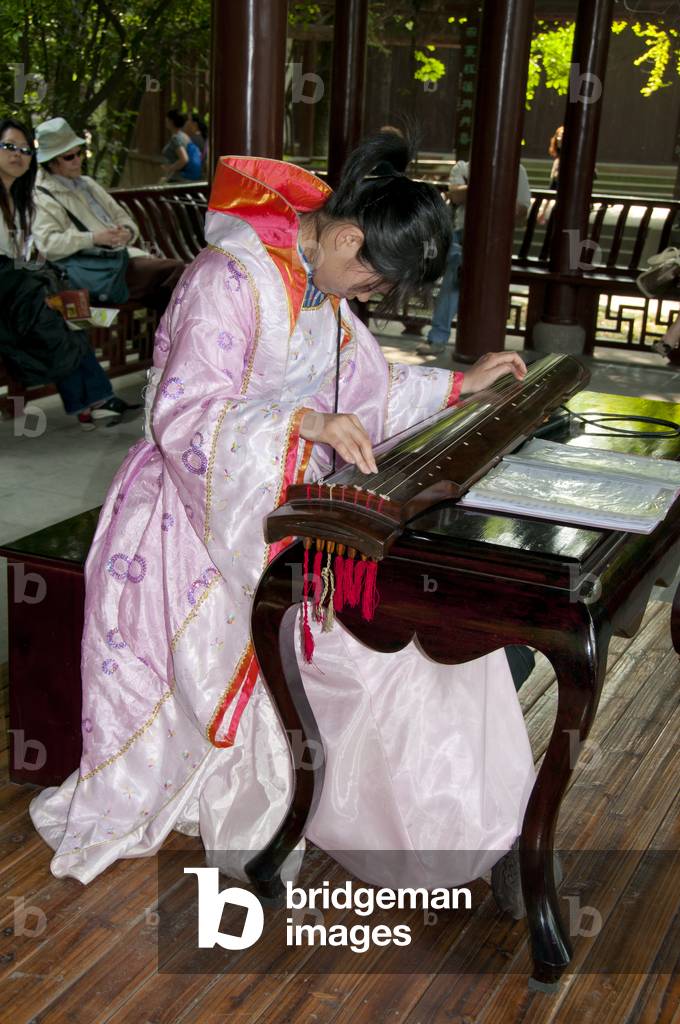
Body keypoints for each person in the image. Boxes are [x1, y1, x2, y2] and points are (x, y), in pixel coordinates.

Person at [30, 132, 535, 905]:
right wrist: (301, 424)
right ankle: (379, 819)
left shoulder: (318, 283)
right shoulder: (226, 279)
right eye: (370, 277)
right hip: (197, 513)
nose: (366, 297)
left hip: (278, 496)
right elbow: (184, 416)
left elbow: (364, 391)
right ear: (345, 235)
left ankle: (453, 817)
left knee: (404, 630)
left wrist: (457, 386)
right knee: (358, 640)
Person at [0, 117, 135, 429]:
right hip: (10, 288)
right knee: (53, 317)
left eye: (24, 149)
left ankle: (95, 401)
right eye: (9, 146)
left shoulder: (18, 197)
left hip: (18, 283)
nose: (17, 154)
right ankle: (96, 400)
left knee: (65, 312)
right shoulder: (33, 195)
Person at [32, 118, 185, 316]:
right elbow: (48, 244)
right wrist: (94, 238)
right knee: (176, 273)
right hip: (96, 270)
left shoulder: (87, 183)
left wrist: (127, 233)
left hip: (121, 260)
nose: (78, 160)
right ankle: (172, 342)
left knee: (173, 284)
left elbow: (122, 217)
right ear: (50, 163)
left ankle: (164, 341)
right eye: (69, 157)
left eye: (79, 153)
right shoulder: (41, 196)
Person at [417, 159, 531, 355]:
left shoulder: (517, 170)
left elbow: (521, 213)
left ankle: (438, 338)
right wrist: (486, 185)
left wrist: (484, 191)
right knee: (457, 261)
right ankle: (439, 337)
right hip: (460, 236)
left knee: (459, 268)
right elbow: (456, 196)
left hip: (495, 240)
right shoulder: (462, 167)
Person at [162, 109, 202, 182]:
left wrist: (170, 168)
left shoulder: (176, 138)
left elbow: (184, 159)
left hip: (180, 179)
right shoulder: (184, 136)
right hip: (183, 178)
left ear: (171, 121)